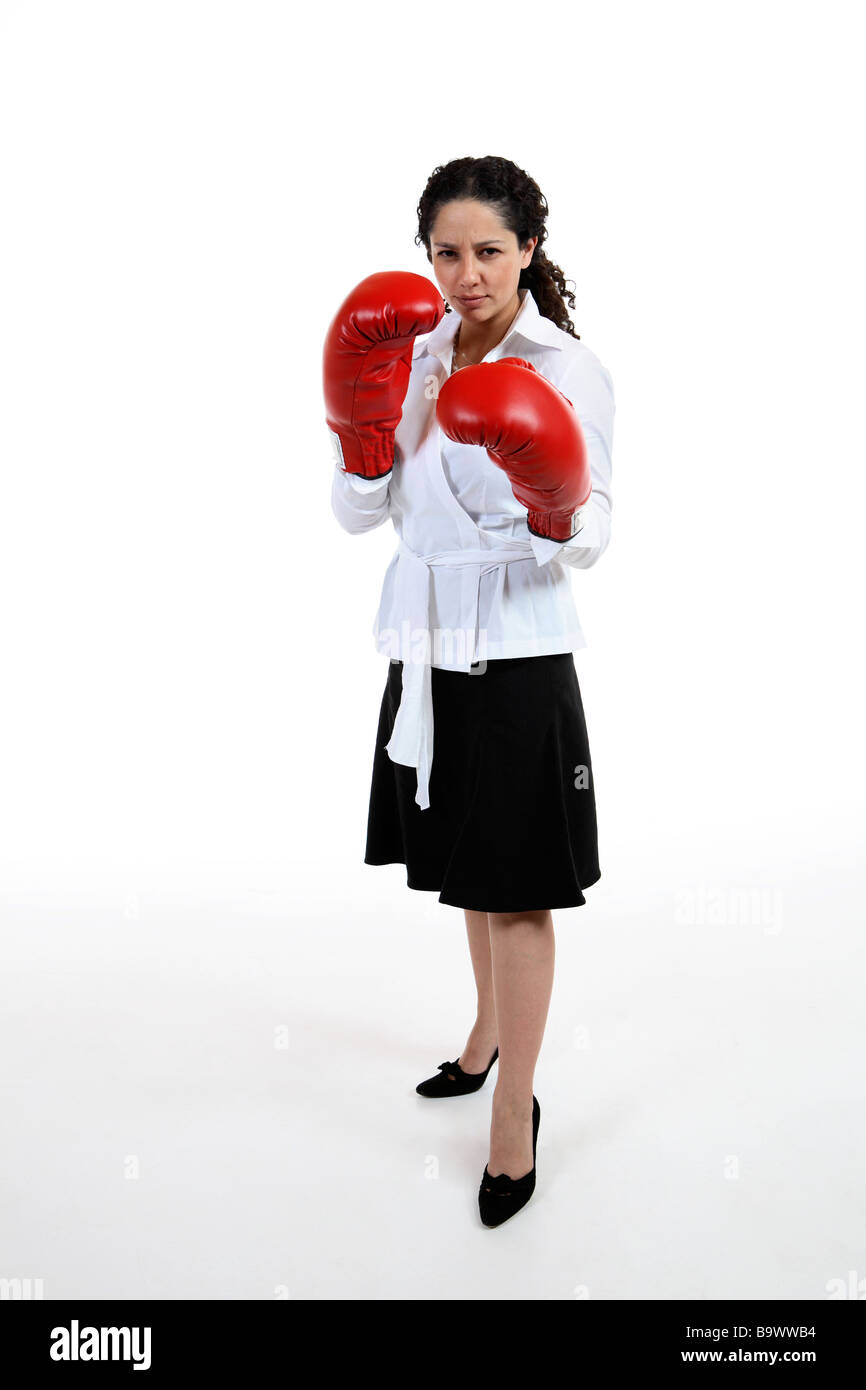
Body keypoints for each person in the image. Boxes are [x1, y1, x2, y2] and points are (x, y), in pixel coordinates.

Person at [324, 155, 615, 1227]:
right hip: (425, 644)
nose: (465, 273)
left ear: (527, 249)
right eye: (445, 252)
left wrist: (552, 506)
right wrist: (364, 435)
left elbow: (594, 535)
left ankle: (511, 1111)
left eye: (488, 251)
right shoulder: (410, 352)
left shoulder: (567, 368)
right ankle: (482, 1034)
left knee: (519, 886)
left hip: (521, 649)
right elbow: (361, 517)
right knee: (464, 870)